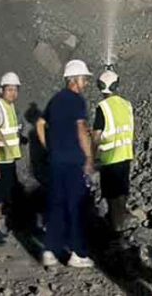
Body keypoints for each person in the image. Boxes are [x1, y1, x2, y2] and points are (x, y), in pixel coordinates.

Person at [35, 59, 96, 269]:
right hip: (72, 162)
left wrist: (48, 147)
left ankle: (50, 250)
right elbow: (81, 130)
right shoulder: (76, 101)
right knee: (76, 206)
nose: (86, 83)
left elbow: (40, 124)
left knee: (56, 204)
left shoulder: (55, 100)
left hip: (56, 161)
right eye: (84, 79)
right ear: (75, 80)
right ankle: (78, 253)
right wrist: (89, 157)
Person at [92, 67, 135, 231]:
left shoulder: (102, 107)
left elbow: (96, 136)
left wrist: (91, 156)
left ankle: (116, 229)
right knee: (122, 190)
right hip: (125, 154)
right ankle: (123, 219)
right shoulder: (127, 105)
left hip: (109, 158)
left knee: (111, 194)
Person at [0, 71, 24, 242]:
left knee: (1, 197)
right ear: (1, 90)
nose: (13, 93)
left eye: (15, 90)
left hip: (7, 160)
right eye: (9, 89)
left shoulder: (9, 106)